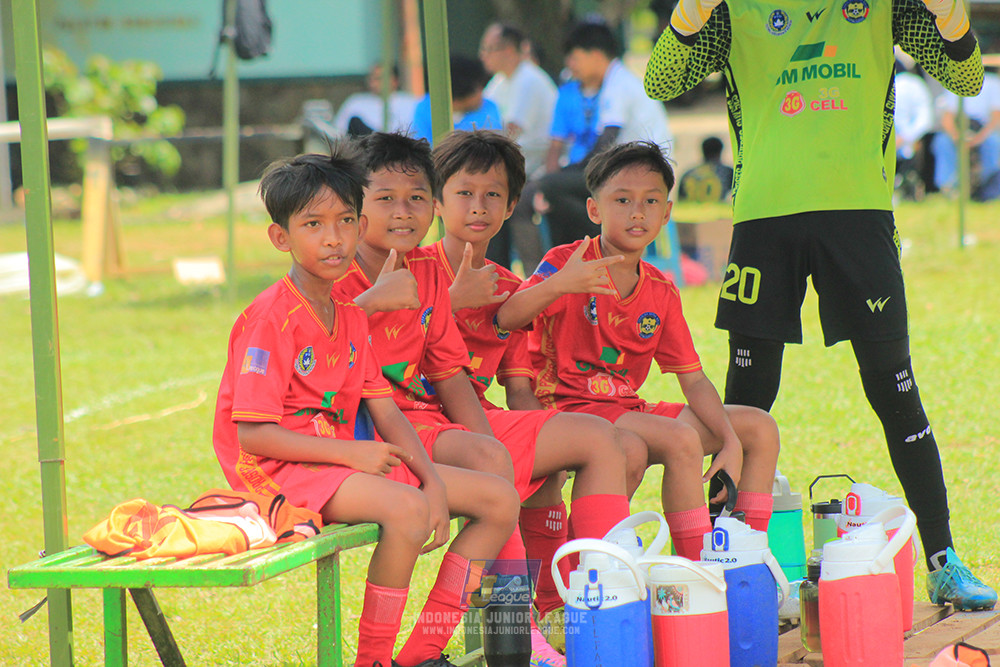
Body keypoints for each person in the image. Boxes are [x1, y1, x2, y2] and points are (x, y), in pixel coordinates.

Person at [645, 0, 997, 609]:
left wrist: (950, 15)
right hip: (764, 220)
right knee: (745, 402)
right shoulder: (735, 10)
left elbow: (965, 78)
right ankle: (726, 564)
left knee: (895, 389)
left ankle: (942, 559)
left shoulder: (886, 5)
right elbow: (661, 81)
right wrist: (689, 14)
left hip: (858, 217)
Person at [212, 143, 520, 667]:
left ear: (360, 226)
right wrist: (353, 455)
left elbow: (386, 411)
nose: (333, 238)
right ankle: (373, 660)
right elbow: (253, 436)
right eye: (313, 225)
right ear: (281, 237)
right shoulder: (271, 318)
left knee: (499, 501)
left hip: (336, 461)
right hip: (275, 469)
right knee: (407, 509)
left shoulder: (350, 313)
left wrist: (433, 481)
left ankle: (422, 653)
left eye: (345, 221)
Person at [335, 131, 630, 665]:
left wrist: (490, 448)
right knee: (499, 471)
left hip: (431, 420)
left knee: (597, 438)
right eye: (385, 199)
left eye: (415, 198)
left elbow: (453, 376)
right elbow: (320, 363)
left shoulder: (434, 273)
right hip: (367, 431)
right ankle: (518, 632)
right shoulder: (338, 274)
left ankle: (598, 610)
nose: (403, 212)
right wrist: (374, 304)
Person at [497, 141, 781, 564]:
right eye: (622, 200)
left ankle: (748, 562)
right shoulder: (566, 262)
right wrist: (559, 285)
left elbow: (694, 380)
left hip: (627, 408)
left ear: (666, 213)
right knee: (679, 439)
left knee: (758, 428)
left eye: (650, 201)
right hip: (570, 409)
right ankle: (697, 572)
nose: (637, 213)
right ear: (594, 210)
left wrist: (729, 441)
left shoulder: (660, 289)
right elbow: (507, 316)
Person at [422, 129, 648, 654]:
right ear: (438, 200)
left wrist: (545, 433)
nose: (478, 207)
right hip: (427, 425)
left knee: (598, 442)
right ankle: (530, 622)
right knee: (537, 456)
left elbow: (519, 389)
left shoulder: (508, 285)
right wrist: (452, 300)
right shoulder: (412, 271)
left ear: (511, 206)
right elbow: (388, 360)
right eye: (463, 193)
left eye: (493, 195)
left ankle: (584, 603)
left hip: (482, 420)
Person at [508, 20, 674, 256]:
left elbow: (605, 144)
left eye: (575, 58)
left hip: (641, 174)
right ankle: (574, 261)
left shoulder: (619, 85)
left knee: (548, 187)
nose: (570, 65)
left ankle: (602, 248)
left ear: (596, 55)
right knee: (551, 194)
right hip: (627, 170)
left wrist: (564, 173)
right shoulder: (613, 83)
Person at [479, 23, 558, 272]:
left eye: (489, 49)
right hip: (515, 168)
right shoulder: (499, 82)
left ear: (510, 50)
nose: (483, 55)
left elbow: (511, 131)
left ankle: (535, 273)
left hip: (540, 169)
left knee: (506, 201)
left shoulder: (530, 80)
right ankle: (494, 270)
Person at [931, 69, 1000, 198]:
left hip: (983, 130)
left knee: (994, 142)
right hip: (960, 129)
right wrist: (956, 137)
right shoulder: (954, 82)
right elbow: (947, 117)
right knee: (942, 142)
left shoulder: (993, 82)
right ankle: (948, 188)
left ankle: (989, 187)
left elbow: (995, 118)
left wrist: (978, 138)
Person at [412, 55, 502, 145]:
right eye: (476, 90)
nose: (481, 94)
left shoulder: (489, 108)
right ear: (455, 99)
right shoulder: (425, 108)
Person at [333, 63, 418, 137]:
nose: (373, 83)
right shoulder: (355, 102)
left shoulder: (410, 103)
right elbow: (338, 132)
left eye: (378, 78)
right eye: (371, 78)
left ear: (395, 80)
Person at [893, 59, 934, 199]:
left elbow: (924, 119)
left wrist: (904, 138)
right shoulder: (915, 83)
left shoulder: (911, 84)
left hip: (907, 144)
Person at [677, 136, 734, 202]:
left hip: (691, 208)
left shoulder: (688, 174)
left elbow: (680, 200)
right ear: (720, 151)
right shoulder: (728, 172)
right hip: (718, 208)